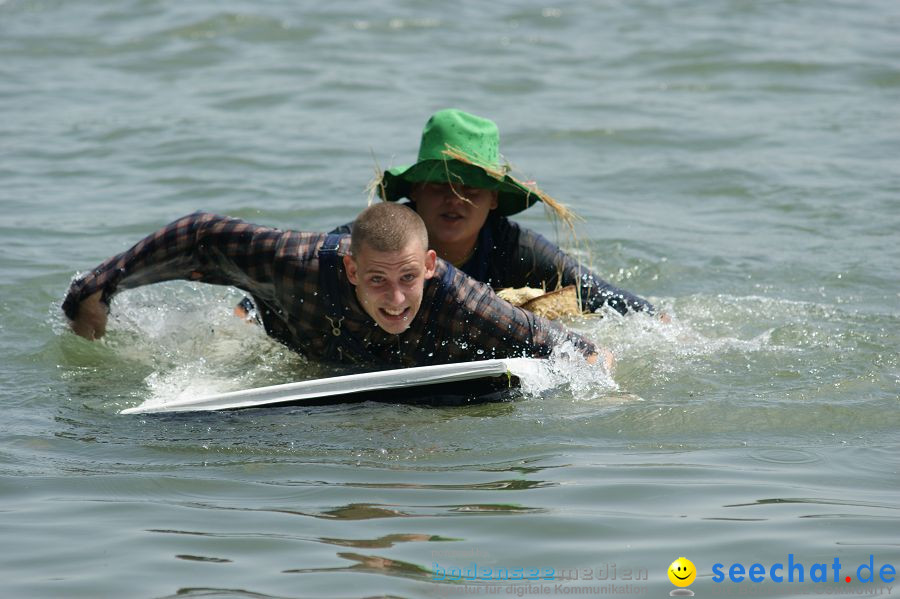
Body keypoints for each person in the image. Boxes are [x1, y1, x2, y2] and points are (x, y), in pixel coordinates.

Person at [236, 109, 658, 323]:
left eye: (470, 189)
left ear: (494, 200)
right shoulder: (377, 239)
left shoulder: (516, 248)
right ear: (415, 191)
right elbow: (279, 284)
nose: (454, 200)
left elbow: (613, 300)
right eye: (440, 185)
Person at [63, 203, 603, 368]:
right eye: (377, 281)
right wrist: (102, 287)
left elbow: (564, 347)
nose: (395, 299)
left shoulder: (461, 300)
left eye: (408, 280)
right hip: (296, 330)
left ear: (431, 267)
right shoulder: (300, 262)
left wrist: (595, 370)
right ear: (350, 269)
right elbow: (201, 233)